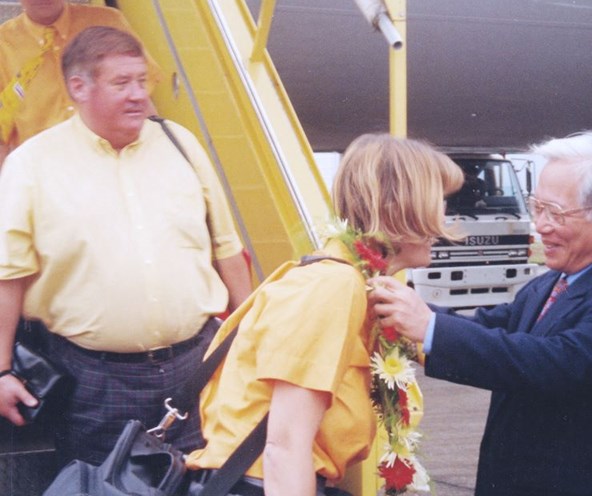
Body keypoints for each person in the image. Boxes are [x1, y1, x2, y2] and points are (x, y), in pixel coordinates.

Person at [369, 131, 592, 496]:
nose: (541, 225)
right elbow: (489, 326)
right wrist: (392, 304)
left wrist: (429, 326)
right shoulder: (551, 283)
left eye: (556, 212)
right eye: (537, 207)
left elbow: (550, 363)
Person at [0, 26, 251, 466]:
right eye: (122, 83)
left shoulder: (181, 144)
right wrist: (1, 370)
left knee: (206, 483)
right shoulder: (31, 165)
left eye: (142, 80)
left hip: (197, 366)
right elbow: (8, 277)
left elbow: (227, 248)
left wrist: (252, 338)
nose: (138, 94)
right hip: (93, 382)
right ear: (78, 87)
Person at [184, 133, 464, 495]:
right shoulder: (334, 286)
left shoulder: (353, 280)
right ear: (400, 206)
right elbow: (285, 447)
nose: (445, 216)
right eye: (438, 201)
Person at [0, 0, 160, 163]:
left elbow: (141, 94)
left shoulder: (107, 22)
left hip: (114, 157)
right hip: (44, 168)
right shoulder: (3, 43)